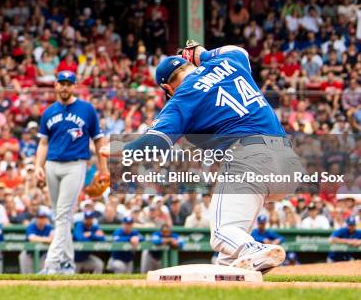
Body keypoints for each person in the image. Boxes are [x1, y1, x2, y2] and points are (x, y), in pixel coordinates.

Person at [101, 43, 304, 272]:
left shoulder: (182, 98)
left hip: (250, 158)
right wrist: (203, 54)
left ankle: (255, 250)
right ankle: (236, 278)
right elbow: (240, 51)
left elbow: (154, 144)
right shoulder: (227, 61)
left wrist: (123, 146)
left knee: (221, 233)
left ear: (168, 87)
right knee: (228, 255)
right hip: (288, 163)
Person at [35, 71, 108, 274]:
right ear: (56, 85)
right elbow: (43, 142)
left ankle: (52, 262)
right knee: (61, 217)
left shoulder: (86, 109)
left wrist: (103, 169)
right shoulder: (49, 111)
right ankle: (67, 263)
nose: (65, 87)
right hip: (51, 165)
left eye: (69, 83)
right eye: (62, 83)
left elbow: (99, 139)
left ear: (74, 86)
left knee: (63, 214)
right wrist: (37, 167)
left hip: (75, 165)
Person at [19, 208, 53, 274]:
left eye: (44, 217)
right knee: (27, 276)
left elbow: (53, 239)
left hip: (42, 255)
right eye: (40, 217)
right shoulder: (31, 226)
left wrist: (40, 239)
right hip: (28, 254)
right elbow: (32, 239)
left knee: (42, 276)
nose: (42, 219)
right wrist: (46, 239)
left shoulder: (49, 227)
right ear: (36, 218)